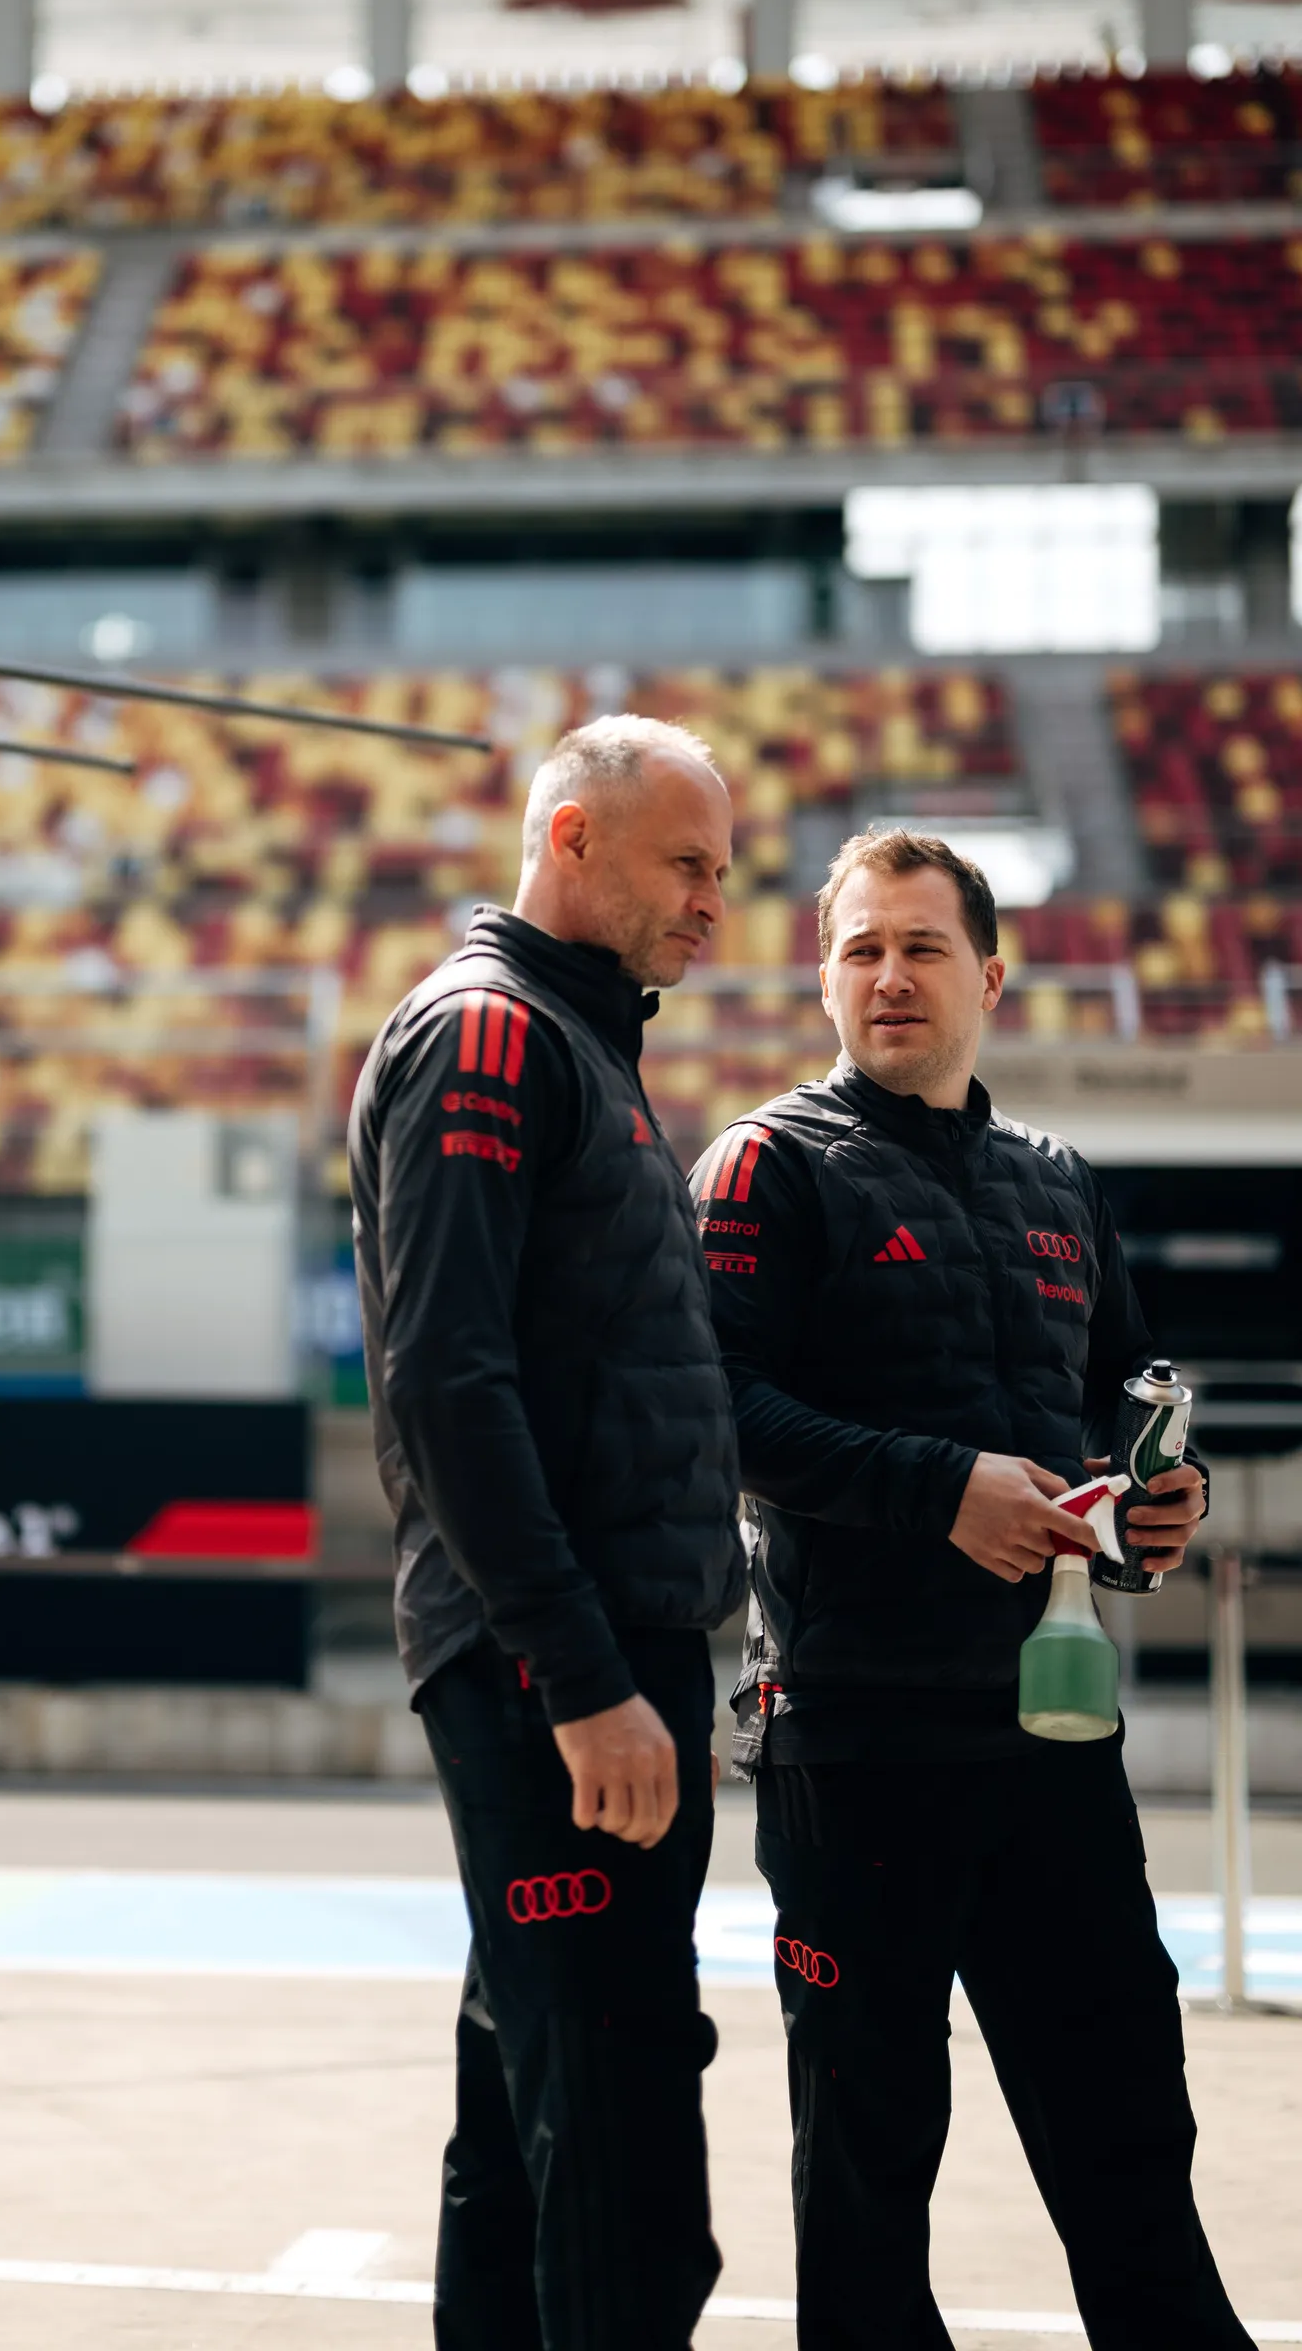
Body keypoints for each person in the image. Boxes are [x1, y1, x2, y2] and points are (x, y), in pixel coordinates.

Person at [691, 827, 1251, 2351]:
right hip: (856, 1742)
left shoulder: (1060, 1187)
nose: (889, 976)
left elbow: (1103, 1433)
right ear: (823, 978)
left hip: (1055, 1737)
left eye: (922, 947)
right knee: (869, 2174)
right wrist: (940, 1489)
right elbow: (717, 1419)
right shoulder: (765, 1166)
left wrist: (1146, 1514)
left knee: (1132, 2130)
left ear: (989, 977)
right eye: (861, 948)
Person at [349, 715, 746, 2351]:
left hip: (598, 1647)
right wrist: (582, 1673)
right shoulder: (490, 1036)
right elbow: (447, 1376)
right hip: (556, 1666)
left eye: (722, 869)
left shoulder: (577, 1043)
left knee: (530, 2128)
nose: (715, 902)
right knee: (620, 2138)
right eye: (685, 863)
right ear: (570, 840)